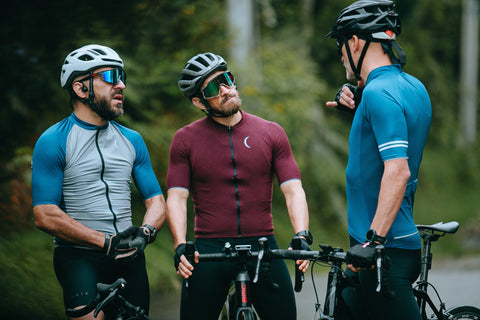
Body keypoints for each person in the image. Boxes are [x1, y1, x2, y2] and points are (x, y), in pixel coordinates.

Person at [166, 52, 312, 319]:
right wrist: (180, 245)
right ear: (200, 102)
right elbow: (176, 197)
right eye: (213, 87)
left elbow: (293, 189)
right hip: (209, 250)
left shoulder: (271, 132)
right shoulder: (185, 140)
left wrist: (301, 234)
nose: (225, 89)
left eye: (226, 79)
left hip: (263, 247)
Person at [31, 44, 166, 319]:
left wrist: (146, 232)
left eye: (122, 77)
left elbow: (156, 201)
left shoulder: (132, 140)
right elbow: (44, 215)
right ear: (81, 89)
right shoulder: (54, 140)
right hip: (79, 258)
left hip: (130, 258)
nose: (121, 85)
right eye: (110, 77)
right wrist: (104, 242)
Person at [325, 1, 432, 319]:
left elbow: (398, 171)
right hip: (389, 244)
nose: (341, 54)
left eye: (341, 45)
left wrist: (373, 243)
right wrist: (359, 104)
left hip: (382, 250)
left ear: (355, 42)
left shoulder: (378, 94)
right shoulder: (413, 87)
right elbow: (390, 137)